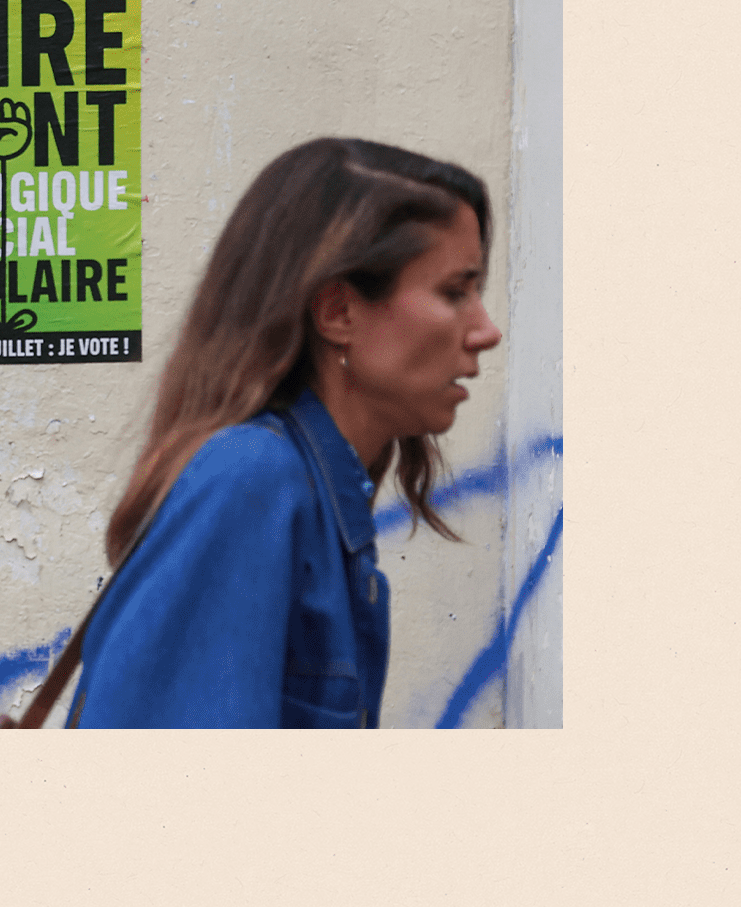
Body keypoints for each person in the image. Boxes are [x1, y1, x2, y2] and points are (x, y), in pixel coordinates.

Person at [63, 138, 502, 727]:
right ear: (337, 313)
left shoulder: (304, 487)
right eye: (454, 291)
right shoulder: (254, 481)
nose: (486, 331)